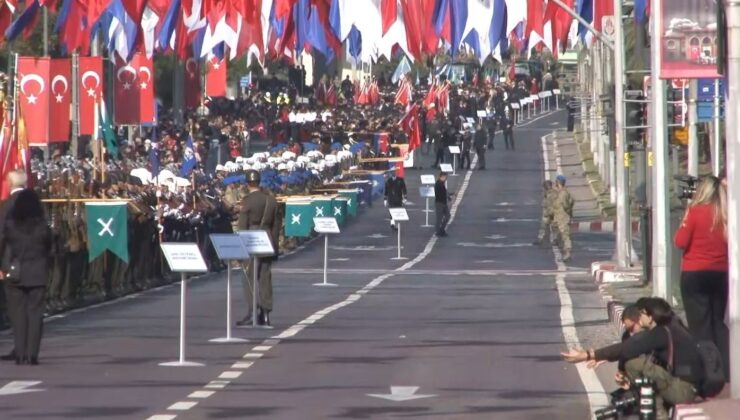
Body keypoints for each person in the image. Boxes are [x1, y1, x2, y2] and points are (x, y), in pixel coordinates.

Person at [562, 298, 703, 419]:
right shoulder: (673, 326)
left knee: (634, 365)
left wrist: (590, 355)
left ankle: (659, 414)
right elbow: (631, 346)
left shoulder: (662, 332)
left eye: (642, 314)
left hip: (683, 390)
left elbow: (629, 349)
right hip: (688, 386)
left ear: (650, 316)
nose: (640, 319)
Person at [674, 175, 729, 377]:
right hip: (720, 274)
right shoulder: (726, 214)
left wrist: (686, 218)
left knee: (699, 325)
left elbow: (680, 241)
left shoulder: (695, 212)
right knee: (716, 321)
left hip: (694, 273)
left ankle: (705, 370)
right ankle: (728, 369)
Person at [0, 183, 52, 365]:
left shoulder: (11, 225)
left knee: (17, 315)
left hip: (15, 271)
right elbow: (49, 247)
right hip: (37, 272)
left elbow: (3, 246)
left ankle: (20, 352)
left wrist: (3, 267)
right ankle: (32, 353)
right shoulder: (42, 227)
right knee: (35, 314)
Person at [237, 170, 280, 327]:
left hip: (251, 239)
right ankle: (266, 313)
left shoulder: (247, 201)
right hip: (267, 239)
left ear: (247, 183)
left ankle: (253, 311)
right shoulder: (271, 200)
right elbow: (276, 226)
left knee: (249, 277)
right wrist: (274, 246)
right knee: (265, 278)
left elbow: (242, 225)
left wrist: (240, 248)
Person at [0, 170, 27, 363]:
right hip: (33, 261)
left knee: (15, 306)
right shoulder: (35, 203)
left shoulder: (6, 206)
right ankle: (27, 347)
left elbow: (2, 236)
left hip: (11, 261)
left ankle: (21, 347)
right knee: (29, 308)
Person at [552, 175, 574, 262]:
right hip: (558, 218)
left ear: (558, 182)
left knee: (565, 236)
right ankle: (562, 249)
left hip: (563, 218)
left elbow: (566, 205)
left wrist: (568, 214)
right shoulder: (560, 192)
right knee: (559, 234)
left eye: (556, 182)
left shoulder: (563, 193)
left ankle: (568, 253)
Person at [533, 180, 557, 245]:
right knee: (553, 227)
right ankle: (554, 240)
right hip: (552, 212)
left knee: (545, 226)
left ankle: (541, 239)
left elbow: (546, 203)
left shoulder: (549, 194)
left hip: (549, 212)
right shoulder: (554, 193)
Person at [434, 171, 451, 237]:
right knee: (439, 218)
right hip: (439, 203)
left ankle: (441, 229)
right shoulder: (438, 184)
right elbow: (440, 193)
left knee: (447, 216)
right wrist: (447, 196)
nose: (446, 178)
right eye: (445, 177)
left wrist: (448, 196)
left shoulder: (441, 183)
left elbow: (445, 192)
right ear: (441, 177)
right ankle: (438, 231)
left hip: (443, 202)